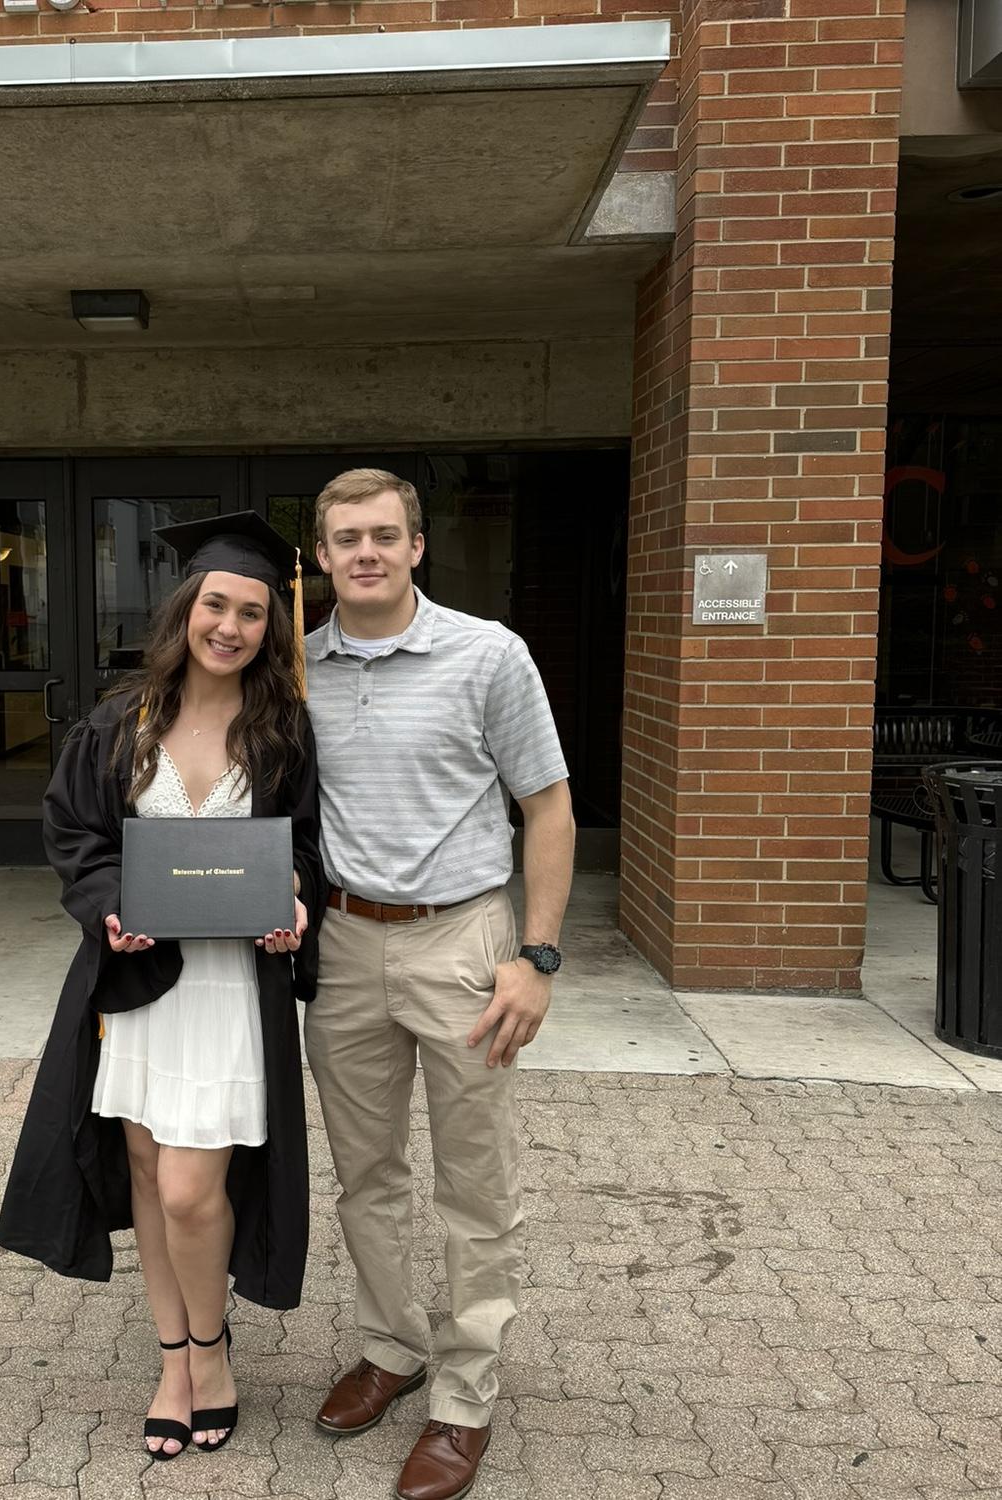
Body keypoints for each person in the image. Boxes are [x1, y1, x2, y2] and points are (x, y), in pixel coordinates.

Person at [0, 511, 326, 1463]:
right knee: (145, 1172)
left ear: (271, 628)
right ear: (186, 608)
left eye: (253, 613)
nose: (230, 626)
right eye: (216, 604)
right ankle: (174, 1361)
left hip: (229, 990)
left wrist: (295, 901)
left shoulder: (281, 730)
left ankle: (213, 1352)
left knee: (190, 1188)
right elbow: (76, 838)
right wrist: (107, 904)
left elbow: (302, 849)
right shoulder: (119, 720)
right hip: (139, 985)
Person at [301, 469, 575, 1500]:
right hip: (341, 943)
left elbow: (548, 808)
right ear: (322, 557)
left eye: (383, 535)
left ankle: (464, 1396)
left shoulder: (487, 654)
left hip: (461, 943)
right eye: (344, 539)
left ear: (417, 546)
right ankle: (390, 1345)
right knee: (365, 1173)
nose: (364, 553)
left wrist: (535, 956)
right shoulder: (297, 665)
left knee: (474, 1183)